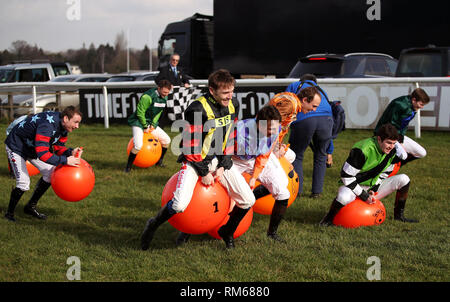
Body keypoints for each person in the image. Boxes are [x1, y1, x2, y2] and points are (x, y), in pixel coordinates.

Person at [140, 69, 255, 250]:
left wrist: (224, 164)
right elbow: (189, 146)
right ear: (212, 90)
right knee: (179, 204)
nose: (230, 96)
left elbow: (230, 136)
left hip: (219, 159)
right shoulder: (197, 108)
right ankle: (152, 224)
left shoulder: (234, 103)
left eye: (232, 91)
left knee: (248, 199)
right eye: (225, 92)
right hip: (195, 161)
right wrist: (204, 171)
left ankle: (227, 231)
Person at [319, 123, 419, 226]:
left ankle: (399, 216)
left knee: (404, 179)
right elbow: (346, 176)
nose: (391, 147)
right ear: (379, 139)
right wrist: (364, 195)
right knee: (343, 197)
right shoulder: (362, 149)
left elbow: (385, 172)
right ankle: (327, 220)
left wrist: (374, 189)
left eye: (394, 143)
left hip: (372, 186)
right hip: (352, 186)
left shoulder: (393, 150)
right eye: (389, 143)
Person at [4, 106, 83, 222]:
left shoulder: (63, 127)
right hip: (17, 147)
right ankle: (9, 214)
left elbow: (58, 147)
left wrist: (70, 152)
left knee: (51, 173)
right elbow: (43, 154)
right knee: (24, 182)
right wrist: (66, 160)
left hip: (32, 148)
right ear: (66, 118)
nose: (77, 126)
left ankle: (30, 207)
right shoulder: (47, 125)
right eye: (75, 122)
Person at [286, 74, 334, 199]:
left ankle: (297, 190)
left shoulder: (295, 85)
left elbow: (286, 104)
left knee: (296, 155)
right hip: (327, 120)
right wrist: (329, 150)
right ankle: (317, 192)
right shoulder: (321, 91)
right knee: (321, 155)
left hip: (305, 119)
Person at [124, 80, 173, 171]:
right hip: (138, 122)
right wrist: (145, 126)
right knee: (138, 145)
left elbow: (159, 111)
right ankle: (128, 167)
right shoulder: (148, 96)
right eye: (164, 92)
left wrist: (153, 124)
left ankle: (159, 162)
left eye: (168, 92)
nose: (166, 94)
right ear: (159, 88)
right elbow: (140, 113)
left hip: (150, 123)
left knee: (167, 140)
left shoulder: (164, 97)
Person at [374, 87, 430, 166]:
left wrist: (401, 140)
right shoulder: (399, 104)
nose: (422, 107)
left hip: (398, 135)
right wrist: (398, 142)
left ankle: (391, 167)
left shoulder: (413, 107)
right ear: (414, 100)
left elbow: (404, 126)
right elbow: (390, 125)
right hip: (386, 135)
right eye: (421, 104)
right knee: (403, 155)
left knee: (422, 153)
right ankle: (385, 169)